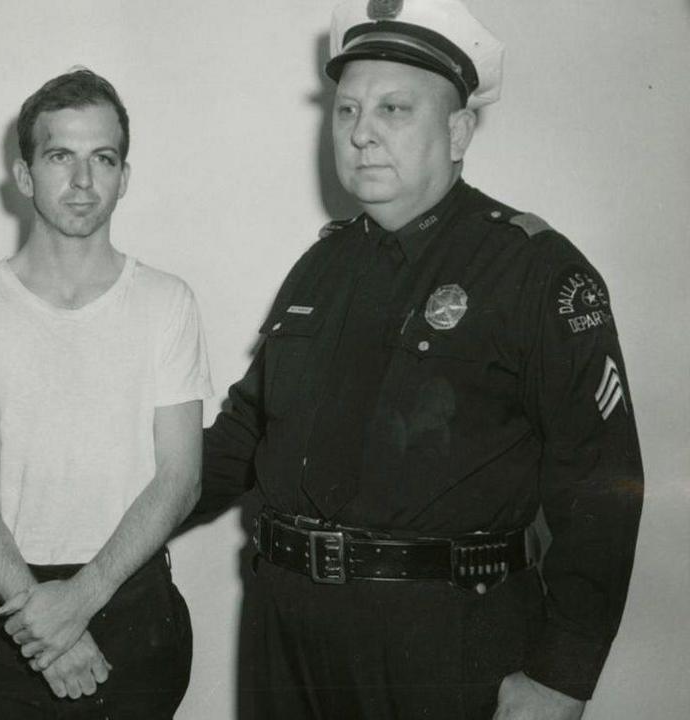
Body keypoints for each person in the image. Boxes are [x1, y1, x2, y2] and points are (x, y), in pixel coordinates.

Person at [198, 2, 644, 718]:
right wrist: (118, 524)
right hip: (288, 636)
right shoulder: (321, 267)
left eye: (394, 109)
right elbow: (241, 440)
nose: (362, 132)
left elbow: (601, 484)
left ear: (458, 131)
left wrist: (563, 677)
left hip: (442, 644)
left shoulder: (534, 271)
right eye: (346, 111)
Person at [0, 68, 212, 719]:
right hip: (7, 601)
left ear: (124, 176)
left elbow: (180, 478)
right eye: (60, 157)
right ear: (24, 176)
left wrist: (82, 599)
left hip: (130, 602)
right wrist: (43, 620)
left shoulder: (167, 302)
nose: (83, 182)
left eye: (102, 159)